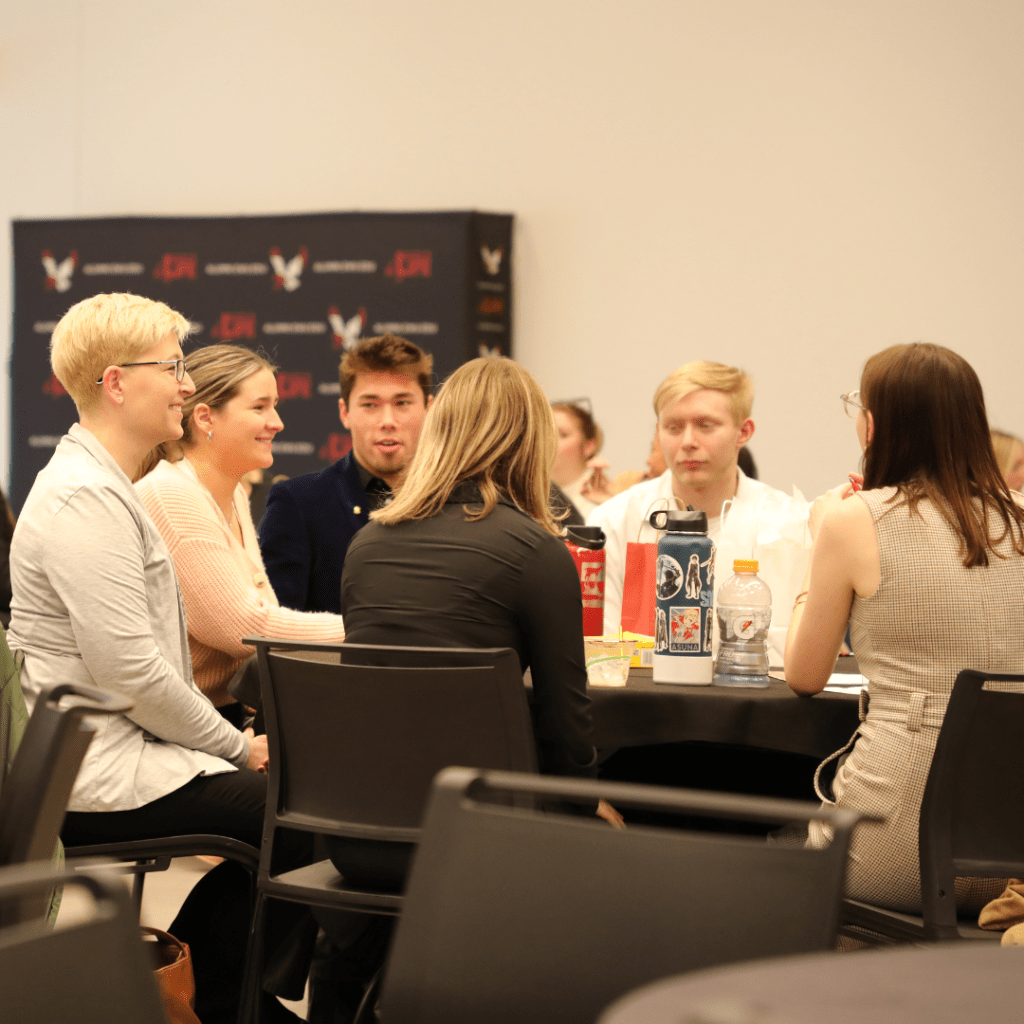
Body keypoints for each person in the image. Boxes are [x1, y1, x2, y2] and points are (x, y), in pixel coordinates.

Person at [7, 293, 306, 1024]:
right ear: (115, 382)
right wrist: (237, 747)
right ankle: (216, 1001)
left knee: (301, 807)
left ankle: (217, 995)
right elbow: (133, 676)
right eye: (172, 366)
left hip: (123, 758)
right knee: (298, 812)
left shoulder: (108, 488)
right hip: (99, 782)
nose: (185, 383)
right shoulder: (84, 499)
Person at [785, 343, 1024, 914]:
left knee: (771, 851)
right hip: (1011, 853)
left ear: (873, 425)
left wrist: (817, 543)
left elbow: (804, 675)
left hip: (895, 840)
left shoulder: (854, 519)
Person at [341, 357, 598, 780]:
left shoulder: (365, 543)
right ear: (533, 441)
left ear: (436, 430)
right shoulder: (538, 552)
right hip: (479, 825)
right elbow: (565, 726)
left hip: (356, 816)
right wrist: (588, 804)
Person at [136, 344, 346, 724]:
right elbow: (248, 630)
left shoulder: (231, 492)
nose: (277, 422)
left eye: (275, 405)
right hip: (180, 730)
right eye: (260, 407)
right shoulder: (171, 495)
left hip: (221, 717)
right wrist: (368, 629)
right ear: (204, 418)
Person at [588, 360, 788, 635]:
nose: (687, 442)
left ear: (743, 432)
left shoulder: (787, 522)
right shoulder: (614, 521)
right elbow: (603, 647)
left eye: (705, 426)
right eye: (673, 427)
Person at [258, 334, 432, 613]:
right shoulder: (299, 503)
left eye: (402, 403)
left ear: (429, 408)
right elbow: (278, 629)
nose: (388, 421)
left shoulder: (459, 502)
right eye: (370, 404)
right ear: (344, 411)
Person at [551, 400, 610, 517]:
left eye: (562, 435)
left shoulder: (603, 502)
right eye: (545, 433)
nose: (549, 442)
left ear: (588, 446)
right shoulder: (527, 497)